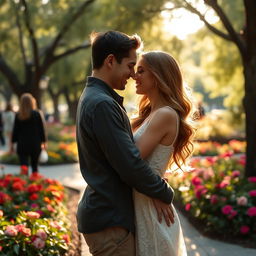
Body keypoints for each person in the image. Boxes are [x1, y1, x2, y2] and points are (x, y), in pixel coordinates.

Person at [76, 31, 175, 256]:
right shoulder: (102, 104)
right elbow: (129, 164)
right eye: (130, 66)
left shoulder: (97, 97)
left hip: (108, 217)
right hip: (109, 221)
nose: (132, 75)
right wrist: (164, 193)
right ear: (110, 61)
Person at [132, 51, 194, 255]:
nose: (134, 76)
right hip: (145, 203)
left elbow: (131, 159)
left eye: (141, 71)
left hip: (152, 212)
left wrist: (159, 191)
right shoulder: (153, 114)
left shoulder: (165, 115)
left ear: (157, 76)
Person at [10, 93, 47, 174]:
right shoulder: (37, 114)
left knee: (24, 167)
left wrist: (12, 145)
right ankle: (35, 184)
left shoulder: (18, 115)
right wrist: (44, 142)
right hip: (35, 143)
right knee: (35, 167)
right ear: (32, 102)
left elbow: (15, 131)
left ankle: (24, 184)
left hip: (22, 144)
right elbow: (41, 130)